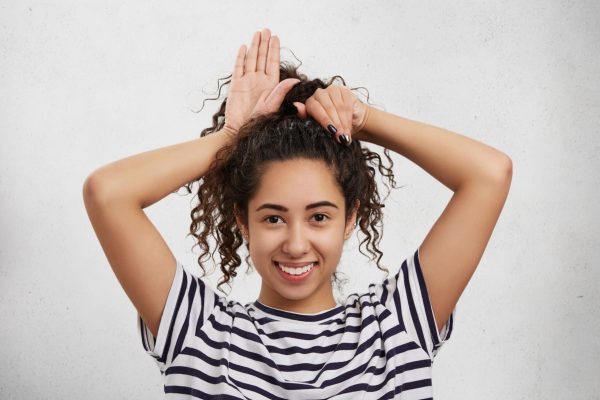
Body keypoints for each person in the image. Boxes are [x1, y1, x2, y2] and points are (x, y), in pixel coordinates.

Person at [83, 28, 512, 399]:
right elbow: (107, 193)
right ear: (241, 221)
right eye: (272, 217)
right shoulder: (200, 332)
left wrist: (363, 119)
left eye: (319, 217)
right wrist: (234, 137)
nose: (295, 243)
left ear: (350, 219)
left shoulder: (397, 325)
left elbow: (490, 174)